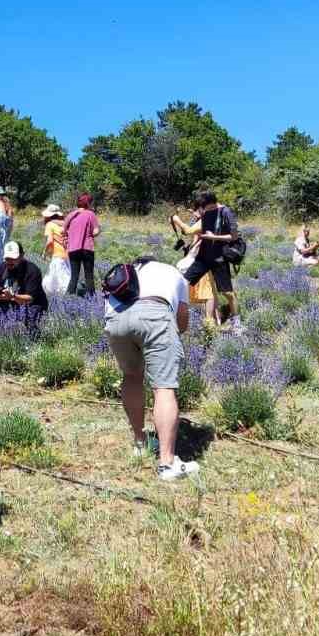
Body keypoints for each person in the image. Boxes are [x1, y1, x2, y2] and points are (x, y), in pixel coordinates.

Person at [102, 258, 199, 480]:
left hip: (115, 320)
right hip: (154, 313)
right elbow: (182, 323)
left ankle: (140, 442)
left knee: (131, 376)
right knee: (163, 386)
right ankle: (167, 464)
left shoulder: (128, 272)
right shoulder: (172, 272)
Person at [177, 191, 240, 326]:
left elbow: (234, 237)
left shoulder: (225, 212)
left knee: (227, 292)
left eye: (203, 207)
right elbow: (191, 229)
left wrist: (214, 237)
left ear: (211, 204)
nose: (202, 211)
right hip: (203, 258)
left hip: (219, 258)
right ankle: (177, 316)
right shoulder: (205, 212)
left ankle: (236, 321)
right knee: (183, 282)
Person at [171, 205, 221, 326]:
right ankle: (215, 318)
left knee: (207, 291)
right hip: (204, 258)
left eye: (198, 210)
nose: (195, 213)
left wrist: (177, 220)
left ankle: (209, 322)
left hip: (201, 259)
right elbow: (186, 231)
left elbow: (188, 231)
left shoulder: (206, 222)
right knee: (210, 290)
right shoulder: (205, 220)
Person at [0, 241, 49, 334]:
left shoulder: (32, 271)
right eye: (7, 258)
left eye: (13, 258)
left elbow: (30, 299)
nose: (10, 261)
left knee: (30, 323)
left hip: (32, 304)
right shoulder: (1, 268)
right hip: (10, 301)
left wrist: (13, 297)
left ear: (22, 256)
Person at [63, 193, 102, 296]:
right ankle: (91, 298)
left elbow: (63, 230)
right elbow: (95, 231)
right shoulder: (90, 214)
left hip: (73, 249)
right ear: (88, 203)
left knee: (74, 276)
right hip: (87, 248)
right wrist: (97, 231)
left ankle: (68, 298)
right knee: (89, 275)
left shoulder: (71, 215)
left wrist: (70, 236)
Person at [40, 204, 71, 298]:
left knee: (57, 279)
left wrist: (44, 252)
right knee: (63, 276)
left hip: (57, 255)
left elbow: (49, 241)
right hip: (68, 254)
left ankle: (64, 298)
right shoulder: (65, 223)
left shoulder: (50, 224)